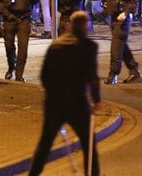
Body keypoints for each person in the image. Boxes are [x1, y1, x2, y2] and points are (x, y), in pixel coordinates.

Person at [29, 11, 100, 176]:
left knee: (45, 145)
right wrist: (96, 100)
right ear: (84, 26)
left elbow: (44, 75)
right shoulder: (88, 47)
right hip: (78, 103)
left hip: (54, 103)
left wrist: (52, 93)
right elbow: (92, 77)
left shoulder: (56, 45)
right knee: (89, 144)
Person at [85, 0, 141, 85]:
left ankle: (113, 73)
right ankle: (134, 70)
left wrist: (125, 13)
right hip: (114, 19)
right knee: (121, 46)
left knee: (116, 47)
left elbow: (132, 2)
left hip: (122, 21)